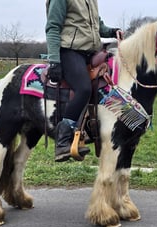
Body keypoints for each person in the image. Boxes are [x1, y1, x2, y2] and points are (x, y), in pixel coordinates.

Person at [45, 0, 121, 162]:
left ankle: (96, 129)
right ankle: (63, 140)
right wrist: (54, 60)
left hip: (90, 51)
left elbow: (97, 26)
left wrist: (112, 32)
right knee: (84, 89)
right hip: (69, 51)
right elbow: (53, 27)